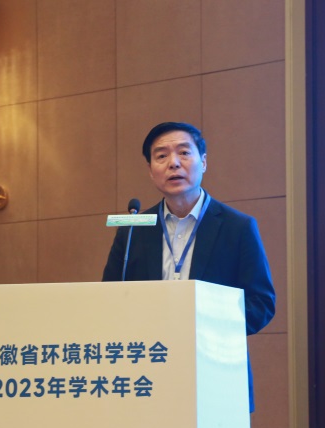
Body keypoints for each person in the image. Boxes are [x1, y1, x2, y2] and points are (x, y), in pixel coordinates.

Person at [102, 122, 275, 412]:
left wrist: (205, 330)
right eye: (161, 156)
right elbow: (109, 300)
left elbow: (261, 303)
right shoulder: (132, 229)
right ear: (151, 171)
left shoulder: (238, 227)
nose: (173, 163)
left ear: (203, 162)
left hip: (216, 372)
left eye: (184, 152)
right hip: (148, 372)